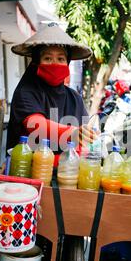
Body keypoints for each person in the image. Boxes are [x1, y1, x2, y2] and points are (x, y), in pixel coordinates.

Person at [7, 22, 97, 165]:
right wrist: (72, 133)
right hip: (29, 169)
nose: (54, 63)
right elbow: (37, 126)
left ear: (67, 63)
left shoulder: (74, 97)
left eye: (61, 59)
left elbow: (85, 136)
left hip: (68, 169)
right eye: (47, 58)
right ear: (37, 62)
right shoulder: (26, 91)